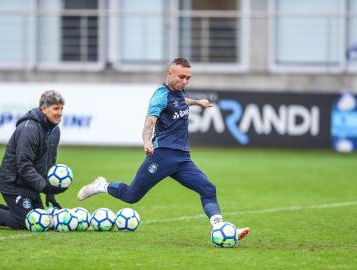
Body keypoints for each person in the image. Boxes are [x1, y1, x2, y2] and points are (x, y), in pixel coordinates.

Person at [77, 58, 250, 240]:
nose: (185, 81)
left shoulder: (178, 93)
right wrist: (146, 142)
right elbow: (149, 121)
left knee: (208, 188)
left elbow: (182, 101)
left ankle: (219, 228)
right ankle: (102, 186)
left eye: (188, 78)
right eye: (181, 77)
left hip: (182, 159)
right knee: (131, 196)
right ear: (169, 74)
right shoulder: (160, 95)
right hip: (162, 156)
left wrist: (198, 102)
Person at [0, 90, 67, 230]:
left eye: (61, 108)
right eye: (56, 109)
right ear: (44, 109)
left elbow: (49, 163)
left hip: (31, 186)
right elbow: (24, 166)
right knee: (28, 222)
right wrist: (44, 186)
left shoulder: (54, 131)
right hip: (14, 184)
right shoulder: (29, 129)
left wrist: (50, 193)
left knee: (44, 221)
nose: (60, 113)